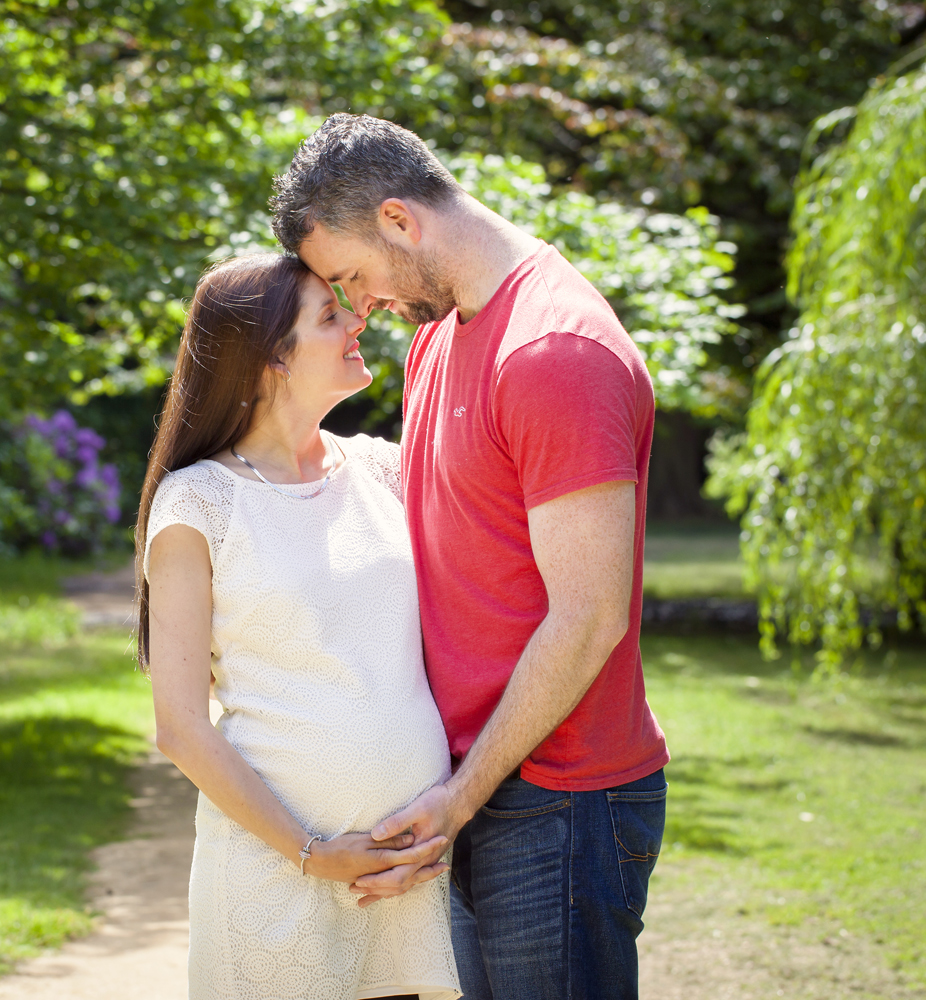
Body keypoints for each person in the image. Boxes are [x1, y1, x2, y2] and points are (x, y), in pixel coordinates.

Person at [270, 114, 670, 1000]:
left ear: (400, 222)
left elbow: (589, 615)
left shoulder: (552, 352)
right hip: (476, 784)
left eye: (352, 277)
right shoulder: (438, 340)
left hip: (558, 800)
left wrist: (459, 796)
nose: (360, 306)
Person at [137, 251, 461, 1000]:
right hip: (275, 877)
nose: (356, 322)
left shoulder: (387, 471)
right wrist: (314, 854)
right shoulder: (198, 504)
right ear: (267, 361)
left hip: (402, 879)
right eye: (328, 316)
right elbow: (182, 728)